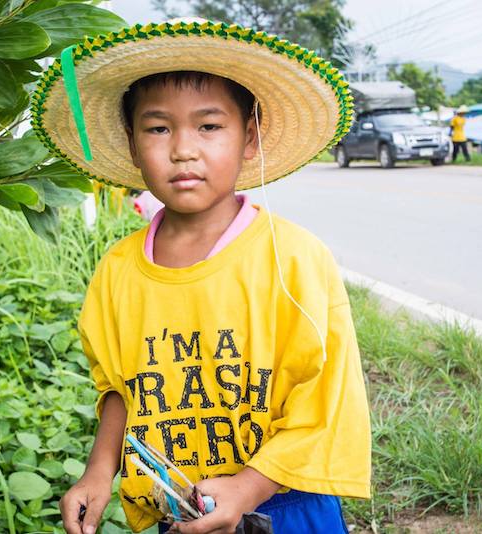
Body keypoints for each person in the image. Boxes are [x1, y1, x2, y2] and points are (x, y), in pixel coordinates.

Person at [32, 19, 372, 534]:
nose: (183, 149)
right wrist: (99, 472)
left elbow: (327, 400)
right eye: (158, 128)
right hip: (183, 511)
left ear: (250, 136)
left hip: (287, 505)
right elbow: (120, 388)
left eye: (209, 126)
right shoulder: (118, 272)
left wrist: (248, 486)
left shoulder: (296, 260)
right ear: (130, 141)